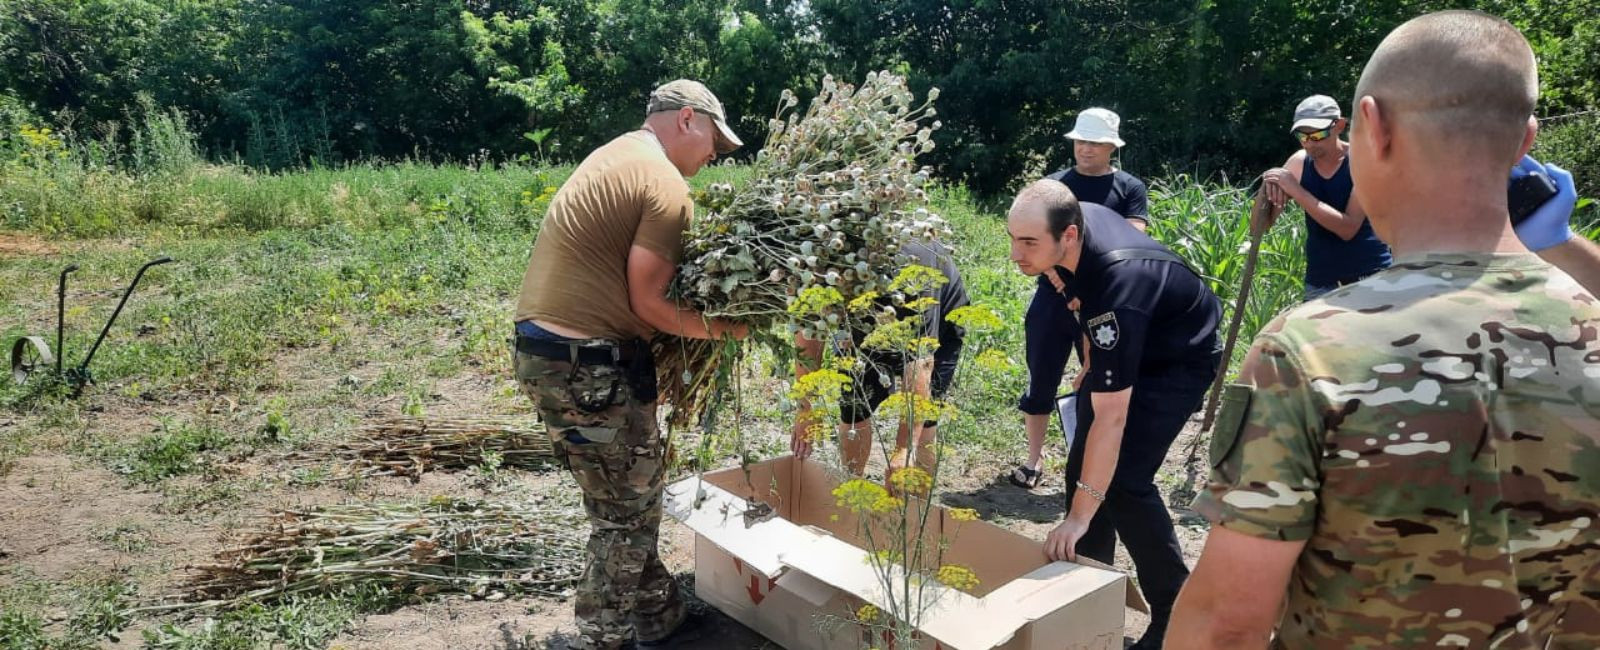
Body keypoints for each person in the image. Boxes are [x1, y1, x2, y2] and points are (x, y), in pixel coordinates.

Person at [1169, 11, 1600, 649]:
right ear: (1526, 140)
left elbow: (1227, 625)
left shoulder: (1307, 353)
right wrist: (1561, 244)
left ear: (1369, 126)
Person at [511, 79, 748, 650]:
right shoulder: (664, 184)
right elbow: (650, 302)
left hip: (549, 353)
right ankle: (601, 636)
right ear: (688, 119)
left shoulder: (617, 153)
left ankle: (659, 614)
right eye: (715, 139)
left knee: (622, 495)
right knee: (627, 514)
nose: (716, 154)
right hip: (588, 364)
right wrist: (725, 327)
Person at [1007, 180, 1222, 650]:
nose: (1015, 254)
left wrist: (1079, 516)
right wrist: (1093, 360)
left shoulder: (1118, 285)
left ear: (1068, 236)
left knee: (1124, 478)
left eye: (1027, 244)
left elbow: (1113, 417)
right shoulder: (1066, 216)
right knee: (1083, 465)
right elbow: (1080, 302)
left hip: (1177, 358)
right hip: (1133, 334)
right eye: (1012, 239)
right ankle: (1086, 585)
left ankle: (1176, 613)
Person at [1015, 107, 1152, 489]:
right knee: (1040, 376)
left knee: (1102, 379)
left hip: (1105, 303)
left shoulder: (1129, 188)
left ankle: (1092, 465)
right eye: (1080, 140)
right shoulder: (1053, 187)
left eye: (1094, 142)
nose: (1085, 149)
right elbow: (1033, 241)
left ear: (1112, 146)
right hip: (1052, 297)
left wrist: (1089, 292)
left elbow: (1131, 242)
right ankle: (1033, 459)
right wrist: (1064, 286)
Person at [791, 240, 969, 480]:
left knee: (923, 424)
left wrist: (904, 448)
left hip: (940, 316)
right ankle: (852, 483)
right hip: (863, 320)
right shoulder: (818, 272)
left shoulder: (911, 280)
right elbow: (808, 340)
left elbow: (921, 364)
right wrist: (805, 409)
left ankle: (915, 504)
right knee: (854, 408)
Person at [1258, 94, 1393, 301]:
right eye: (1303, 137)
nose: (1310, 144)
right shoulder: (1298, 163)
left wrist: (1296, 191)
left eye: (1318, 135)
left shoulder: (1361, 161)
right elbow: (1259, 227)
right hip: (1320, 282)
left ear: (1339, 126)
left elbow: (1348, 229)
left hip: (1369, 275)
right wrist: (1267, 187)